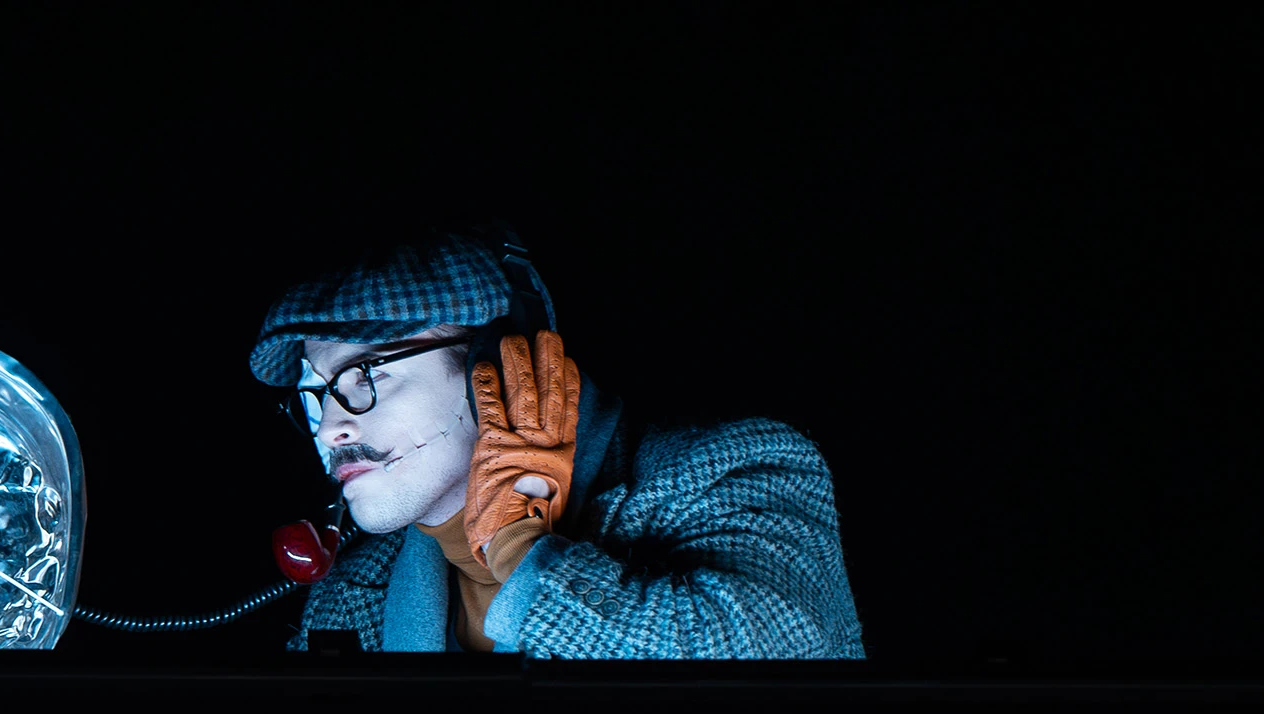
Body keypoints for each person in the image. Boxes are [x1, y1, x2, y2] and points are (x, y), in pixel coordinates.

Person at [249, 221, 866, 658]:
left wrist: (522, 553)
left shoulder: (735, 470)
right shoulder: (347, 594)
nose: (329, 428)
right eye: (316, 393)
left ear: (495, 364)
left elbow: (770, 667)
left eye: (365, 374)